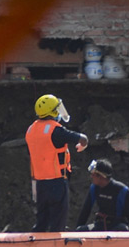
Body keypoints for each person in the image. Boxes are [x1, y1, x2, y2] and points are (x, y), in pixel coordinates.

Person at [27, 93, 88, 232]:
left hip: (40, 184)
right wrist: (82, 145)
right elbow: (83, 138)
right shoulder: (56, 130)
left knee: (42, 221)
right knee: (58, 223)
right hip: (57, 183)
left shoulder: (31, 130)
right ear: (53, 111)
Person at [75, 158, 129, 232]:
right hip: (100, 224)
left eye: (93, 174)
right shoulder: (94, 188)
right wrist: (76, 232)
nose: (91, 176)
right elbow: (86, 210)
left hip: (117, 226)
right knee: (80, 230)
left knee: (123, 228)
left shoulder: (123, 191)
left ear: (101, 176)